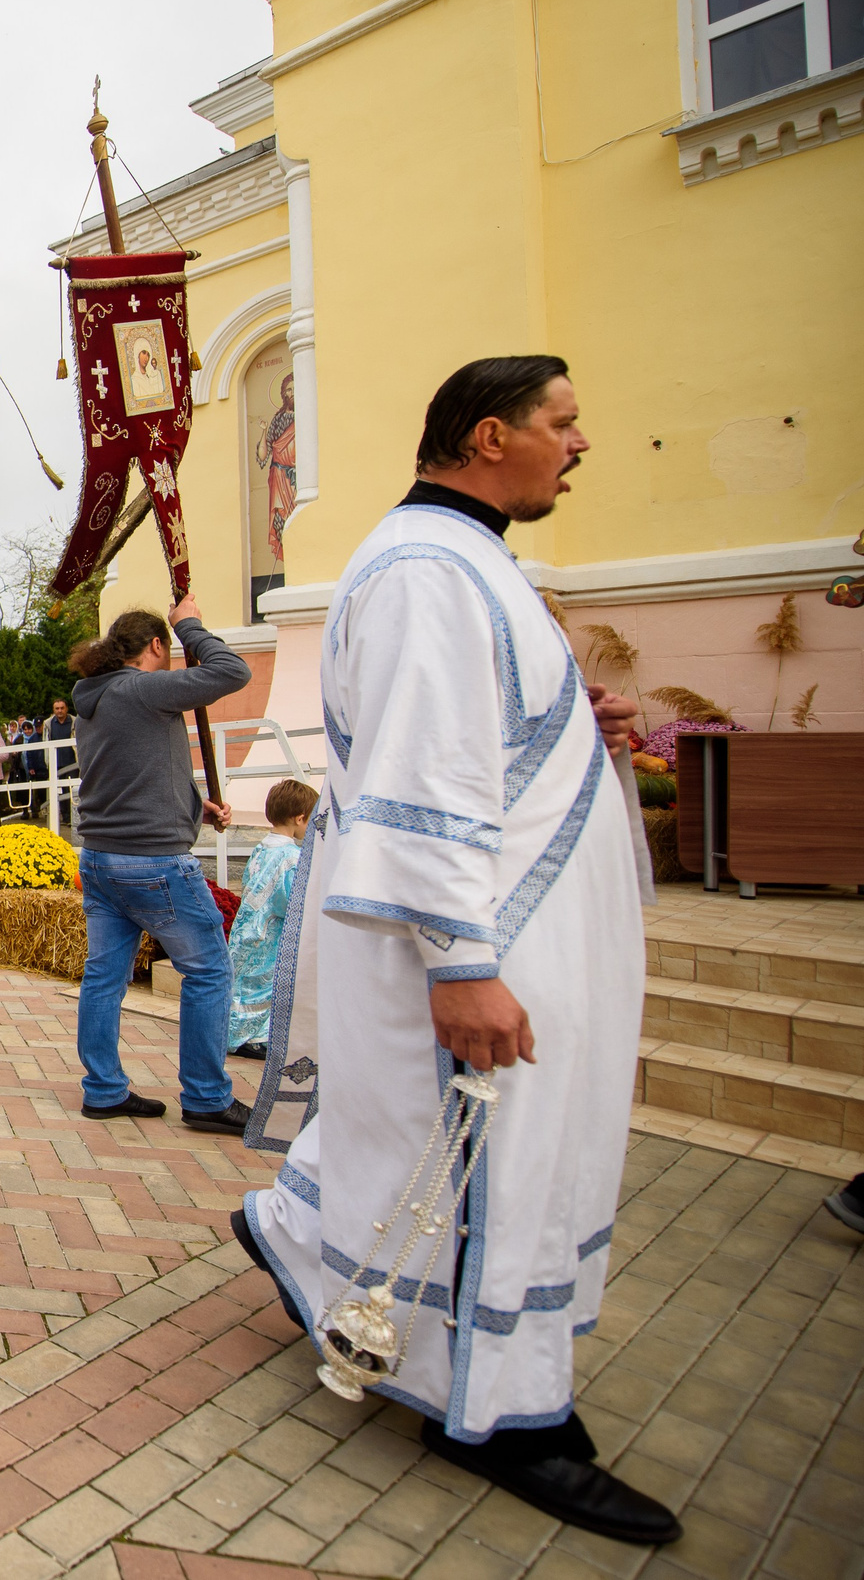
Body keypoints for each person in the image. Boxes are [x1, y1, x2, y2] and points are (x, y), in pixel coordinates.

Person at [237, 356, 679, 1544]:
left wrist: (580, 728)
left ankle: (301, 1236)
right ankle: (500, 1409)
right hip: (484, 944)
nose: (579, 443)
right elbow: (426, 776)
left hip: (511, 930)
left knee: (447, 1147)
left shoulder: (466, 559)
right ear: (490, 436)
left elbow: (475, 739)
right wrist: (461, 964)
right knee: (490, 1164)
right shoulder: (434, 568)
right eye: (562, 422)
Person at [67, 598, 249, 1130]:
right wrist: (190, 622)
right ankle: (207, 1098)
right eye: (168, 648)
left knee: (103, 978)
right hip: (151, 861)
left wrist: (195, 805)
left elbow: (135, 770)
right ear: (154, 647)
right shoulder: (143, 688)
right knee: (210, 971)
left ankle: (102, 1089)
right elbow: (231, 671)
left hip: (100, 859)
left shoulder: (95, 697)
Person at [225, 779, 316, 1059]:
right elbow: (291, 900)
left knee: (242, 981)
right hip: (271, 930)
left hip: (247, 926)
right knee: (264, 984)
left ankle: (232, 1031)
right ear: (300, 818)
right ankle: (252, 1037)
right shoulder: (291, 857)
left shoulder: (261, 847)